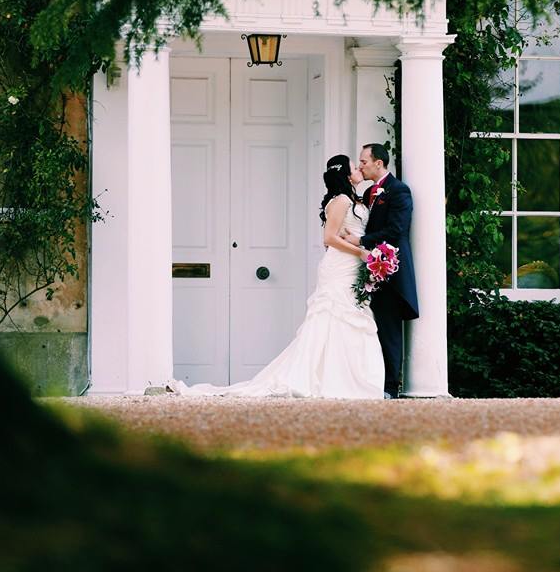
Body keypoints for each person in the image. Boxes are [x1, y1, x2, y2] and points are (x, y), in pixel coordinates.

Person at [173, 155, 386, 398]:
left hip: (351, 265)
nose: (359, 168)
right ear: (346, 175)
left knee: (349, 317)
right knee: (332, 315)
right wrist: (360, 252)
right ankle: (330, 380)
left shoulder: (351, 199)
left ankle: (343, 379)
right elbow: (328, 239)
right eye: (354, 166)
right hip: (341, 266)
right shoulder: (341, 201)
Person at [342, 143, 418, 399]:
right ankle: (368, 382)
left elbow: (397, 230)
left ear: (378, 163)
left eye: (363, 161)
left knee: (388, 328)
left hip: (390, 270)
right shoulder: (367, 193)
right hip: (367, 271)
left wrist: (361, 242)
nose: (360, 165)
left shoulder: (399, 191)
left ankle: (390, 388)